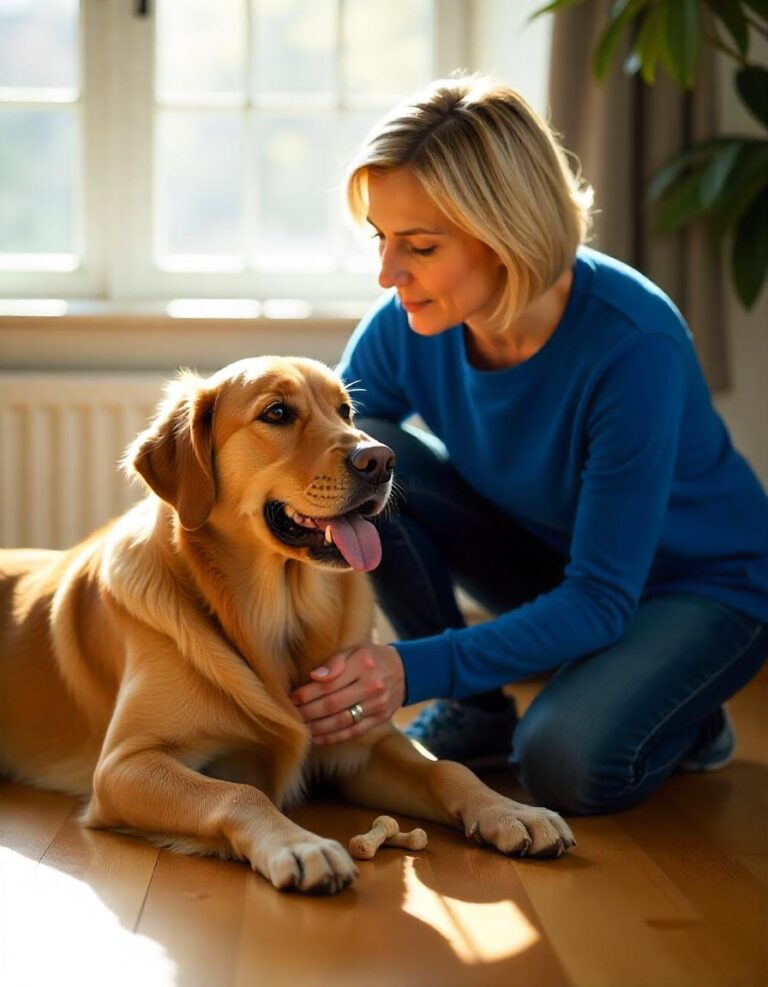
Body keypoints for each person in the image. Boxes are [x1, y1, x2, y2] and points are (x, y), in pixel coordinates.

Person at [290, 74, 768, 815]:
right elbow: (317, 462)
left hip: (700, 588)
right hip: (560, 560)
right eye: (381, 240)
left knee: (561, 764)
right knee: (359, 452)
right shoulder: (408, 318)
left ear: (507, 232)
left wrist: (408, 670)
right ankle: (481, 709)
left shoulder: (632, 343)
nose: (388, 274)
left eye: (418, 245)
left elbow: (604, 596)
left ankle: (690, 717)